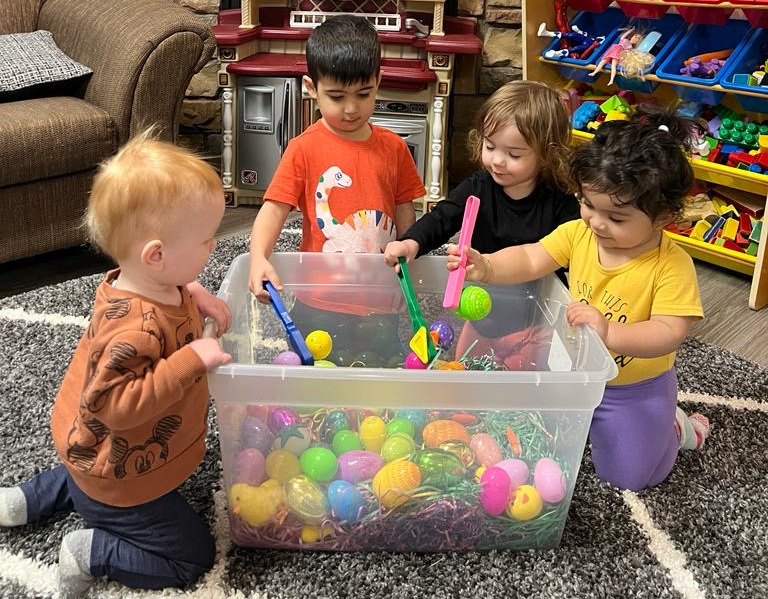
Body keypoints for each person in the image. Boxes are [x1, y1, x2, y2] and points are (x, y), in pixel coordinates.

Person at [0, 130, 232, 596]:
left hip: (88, 450)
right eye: (207, 241)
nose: (213, 247)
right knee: (193, 555)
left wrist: (195, 292)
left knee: (84, 473)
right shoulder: (134, 329)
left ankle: (27, 500)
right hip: (123, 478)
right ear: (157, 255)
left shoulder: (146, 282)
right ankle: (92, 550)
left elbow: (169, 292)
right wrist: (190, 359)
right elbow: (114, 405)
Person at [446, 108, 711, 491]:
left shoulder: (672, 265)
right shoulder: (578, 233)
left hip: (631, 389)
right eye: (587, 204)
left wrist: (610, 332)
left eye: (616, 219)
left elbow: (669, 332)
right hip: (573, 371)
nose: (596, 223)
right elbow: (531, 256)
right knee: (533, 436)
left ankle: (675, 427)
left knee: (629, 478)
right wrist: (486, 266)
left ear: (664, 216)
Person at [248, 14, 425, 364]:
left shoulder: (394, 148)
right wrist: (258, 259)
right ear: (311, 88)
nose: (350, 108)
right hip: (318, 297)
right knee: (312, 373)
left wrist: (411, 255)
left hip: (380, 298)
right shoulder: (303, 148)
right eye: (336, 96)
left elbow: (405, 207)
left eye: (364, 94)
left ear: (379, 82)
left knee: (377, 374)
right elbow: (274, 208)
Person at [384, 80, 580, 368]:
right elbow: (442, 218)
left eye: (514, 154)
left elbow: (577, 258)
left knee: (519, 394)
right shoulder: (478, 187)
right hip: (480, 318)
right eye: (490, 146)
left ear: (546, 155)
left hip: (534, 326)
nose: (497, 160)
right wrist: (411, 242)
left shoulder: (561, 203)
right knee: (468, 380)